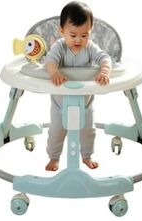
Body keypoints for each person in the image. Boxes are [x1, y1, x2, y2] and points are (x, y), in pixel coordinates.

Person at [44, 1, 111, 171]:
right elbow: (50, 61)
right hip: (60, 103)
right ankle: (54, 158)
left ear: (90, 31)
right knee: (57, 131)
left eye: (84, 35)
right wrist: (54, 73)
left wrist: (104, 71)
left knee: (88, 131)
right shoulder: (59, 46)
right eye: (73, 35)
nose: (78, 40)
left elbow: (104, 58)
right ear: (62, 31)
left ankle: (87, 156)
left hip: (85, 102)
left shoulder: (89, 47)